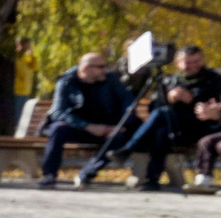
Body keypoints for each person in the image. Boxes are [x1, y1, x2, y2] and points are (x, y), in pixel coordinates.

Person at [78, 44, 221, 189]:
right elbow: (153, 107)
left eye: (197, 61)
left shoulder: (214, 79)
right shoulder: (170, 80)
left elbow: (214, 106)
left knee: (162, 115)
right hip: (176, 127)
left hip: (202, 127)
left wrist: (192, 101)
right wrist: (169, 98)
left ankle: (129, 149)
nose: (194, 66)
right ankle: (151, 180)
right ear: (177, 63)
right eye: (188, 62)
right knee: (161, 131)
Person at [36, 51, 130, 187]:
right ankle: (49, 176)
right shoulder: (66, 81)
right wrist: (87, 126)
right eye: (101, 67)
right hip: (78, 127)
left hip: (106, 129)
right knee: (57, 129)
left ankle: (86, 173)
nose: (105, 70)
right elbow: (58, 112)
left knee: (119, 138)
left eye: (105, 66)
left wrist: (120, 126)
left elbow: (129, 104)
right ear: (86, 68)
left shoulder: (112, 80)